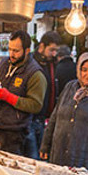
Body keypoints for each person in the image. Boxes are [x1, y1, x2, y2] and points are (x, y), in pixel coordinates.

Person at [0, 30, 46, 154]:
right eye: (10, 49)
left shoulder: (36, 74)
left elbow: (36, 105)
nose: (11, 54)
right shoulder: (3, 63)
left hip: (15, 135)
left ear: (27, 51)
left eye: (16, 51)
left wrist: (9, 97)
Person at [25, 31, 62, 159]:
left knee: (41, 159)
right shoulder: (29, 63)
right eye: (51, 50)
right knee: (32, 159)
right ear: (41, 47)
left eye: (56, 50)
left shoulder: (52, 65)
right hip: (29, 119)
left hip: (43, 121)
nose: (54, 53)